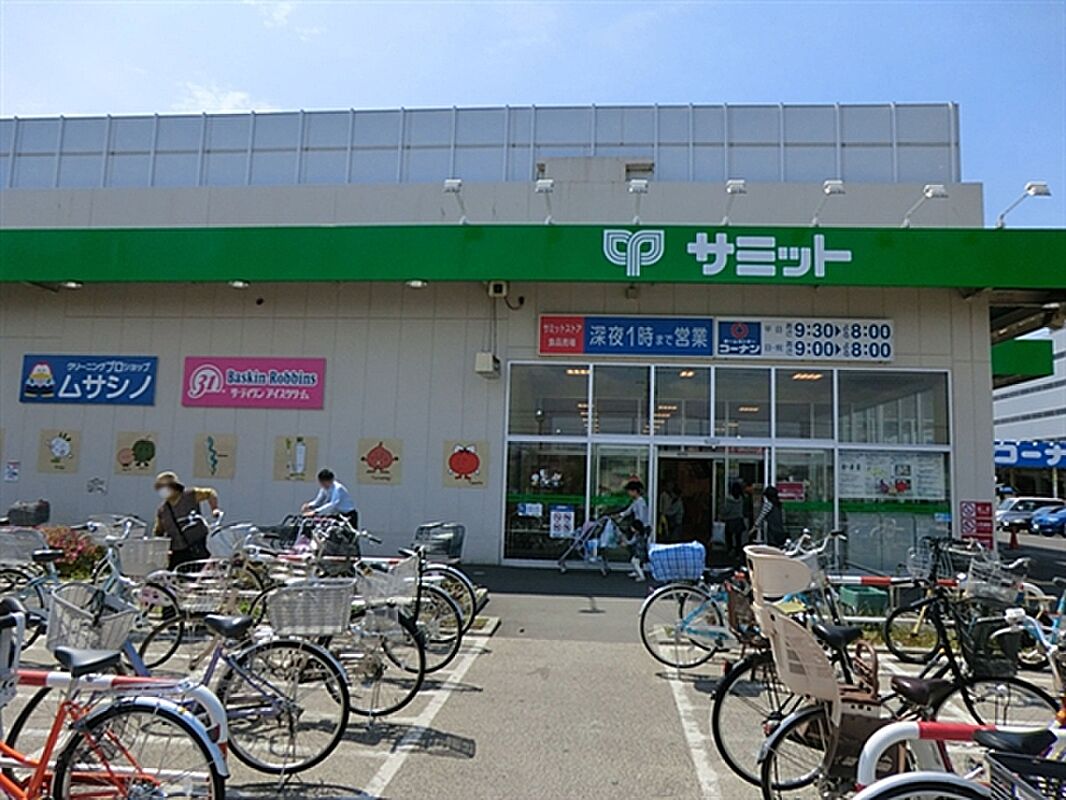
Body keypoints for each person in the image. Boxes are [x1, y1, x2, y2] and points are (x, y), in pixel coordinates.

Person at [152, 471, 222, 568]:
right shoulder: (163, 510)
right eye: (159, 487)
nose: (162, 490)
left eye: (164, 486)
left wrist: (214, 509)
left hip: (198, 545)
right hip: (177, 552)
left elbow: (210, 493)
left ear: (174, 486)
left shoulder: (190, 495)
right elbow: (159, 531)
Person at [619, 479, 650, 581]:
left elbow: (641, 517)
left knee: (638, 549)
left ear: (635, 491)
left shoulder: (641, 502)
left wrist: (637, 528)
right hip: (638, 528)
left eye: (630, 491)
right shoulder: (636, 502)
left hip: (641, 528)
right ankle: (637, 570)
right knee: (635, 549)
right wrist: (620, 515)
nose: (629, 493)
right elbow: (628, 511)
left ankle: (640, 571)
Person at [722, 479, 747, 558]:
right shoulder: (741, 498)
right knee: (738, 538)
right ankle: (738, 552)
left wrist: (722, 512)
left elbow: (726, 510)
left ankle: (730, 550)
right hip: (739, 520)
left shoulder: (729, 500)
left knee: (729, 536)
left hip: (730, 520)